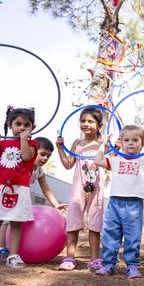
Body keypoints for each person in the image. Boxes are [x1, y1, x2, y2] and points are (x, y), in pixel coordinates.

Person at [93, 126, 144, 278]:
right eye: (126, 140)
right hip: (115, 202)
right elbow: (97, 160)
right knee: (110, 235)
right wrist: (104, 145)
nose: (130, 143)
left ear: (142, 143)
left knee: (133, 236)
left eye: (135, 140)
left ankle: (132, 266)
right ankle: (108, 264)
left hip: (135, 204)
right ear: (121, 142)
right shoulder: (115, 159)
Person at [0, 107, 37, 269]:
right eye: (18, 124)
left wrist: (24, 139)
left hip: (20, 189)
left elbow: (26, 157)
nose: (22, 128)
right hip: (0, 187)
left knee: (16, 223)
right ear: (10, 125)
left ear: (33, 127)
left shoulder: (32, 144)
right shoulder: (3, 143)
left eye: (26, 125)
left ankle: (13, 255)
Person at [0, 137, 67, 259]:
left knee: (17, 221)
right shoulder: (23, 163)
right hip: (9, 193)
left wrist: (56, 205)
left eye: (48, 156)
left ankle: (11, 248)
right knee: (6, 220)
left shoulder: (39, 171)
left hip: (21, 196)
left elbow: (46, 189)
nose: (45, 158)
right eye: (42, 154)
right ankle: (0, 247)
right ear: (32, 150)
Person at [55, 107, 105, 271]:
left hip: (96, 189)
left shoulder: (104, 143)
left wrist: (116, 149)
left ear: (99, 125)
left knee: (95, 223)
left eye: (90, 121)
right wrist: (60, 149)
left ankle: (95, 259)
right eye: (83, 121)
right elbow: (68, 164)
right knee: (74, 220)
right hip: (78, 188)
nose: (86, 124)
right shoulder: (77, 143)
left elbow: (111, 164)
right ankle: (70, 257)